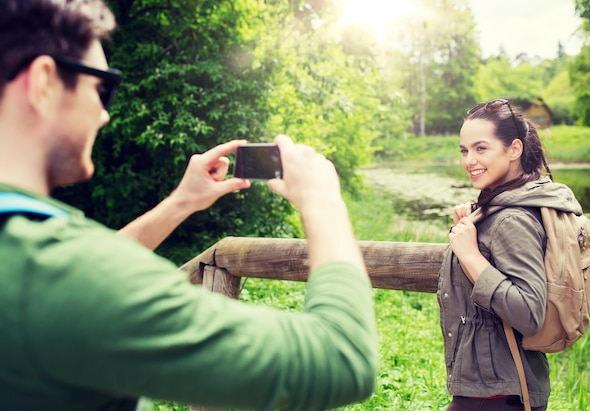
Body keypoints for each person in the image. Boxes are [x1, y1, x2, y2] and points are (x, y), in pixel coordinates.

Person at [0, 1, 378, 410]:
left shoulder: (34, 261)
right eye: (102, 86)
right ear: (43, 83)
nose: (104, 113)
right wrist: (323, 201)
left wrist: (181, 203)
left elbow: (84, 269)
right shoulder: (59, 276)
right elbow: (341, 359)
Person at [438, 99, 583, 411]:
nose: (469, 160)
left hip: (500, 398)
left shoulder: (512, 220)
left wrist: (471, 256)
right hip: (487, 392)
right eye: (464, 150)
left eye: (481, 148)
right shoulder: (498, 210)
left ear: (514, 150)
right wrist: (475, 220)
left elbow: (530, 314)